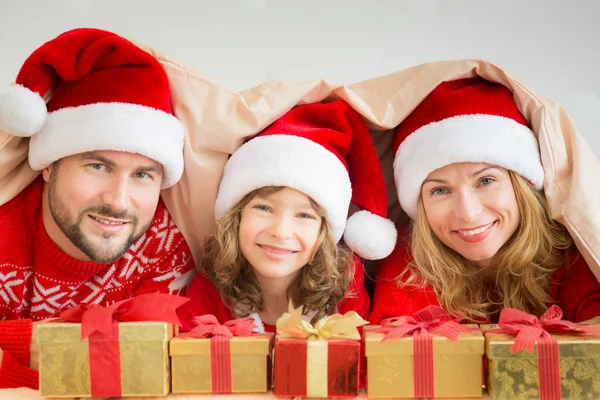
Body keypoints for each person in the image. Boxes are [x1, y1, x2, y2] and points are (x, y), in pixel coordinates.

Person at [0, 28, 195, 388]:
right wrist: (28, 346)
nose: (118, 201)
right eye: (98, 166)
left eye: (142, 175)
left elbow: (135, 373)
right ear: (48, 164)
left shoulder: (164, 247)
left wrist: (15, 348)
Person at [371, 77, 600, 325]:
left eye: (486, 181)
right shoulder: (407, 264)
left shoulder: (572, 253)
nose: (468, 213)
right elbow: (398, 350)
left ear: (523, 184)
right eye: (440, 191)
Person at [178, 99, 397, 332]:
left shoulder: (345, 290)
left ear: (325, 232)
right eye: (264, 208)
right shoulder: (210, 289)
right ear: (237, 216)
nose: (280, 232)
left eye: (304, 215)